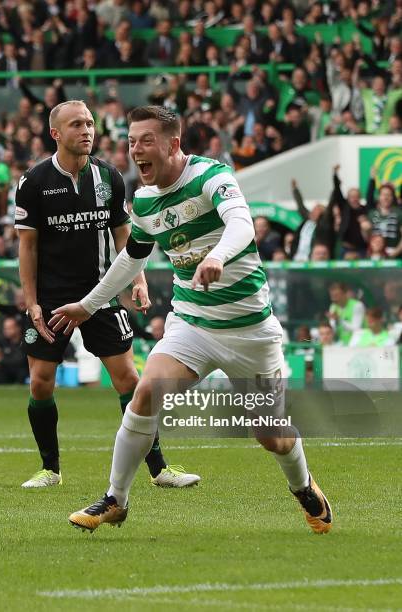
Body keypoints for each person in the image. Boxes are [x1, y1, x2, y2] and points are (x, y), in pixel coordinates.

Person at [50, 106, 332, 535]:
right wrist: (88, 305)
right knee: (145, 394)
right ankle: (116, 500)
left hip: (250, 331)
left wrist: (217, 255)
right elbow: (132, 258)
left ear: (173, 144)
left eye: (146, 141)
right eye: (130, 142)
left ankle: (303, 486)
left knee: (270, 435)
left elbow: (241, 224)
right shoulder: (142, 199)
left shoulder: (211, 177)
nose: (135, 151)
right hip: (193, 324)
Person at [15, 100, 199, 489]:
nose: (86, 131)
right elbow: (27, 246)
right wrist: (31, 301)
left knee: (129, 379)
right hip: (51, 298)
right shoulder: (33, 183)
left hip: (101, 293)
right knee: (40, 382)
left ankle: (159, 468)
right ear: (56, 134)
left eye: (89, 123)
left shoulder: (109, 177)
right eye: (76, 125)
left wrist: (138, 279)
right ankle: (50, 469)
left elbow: (124, 234)